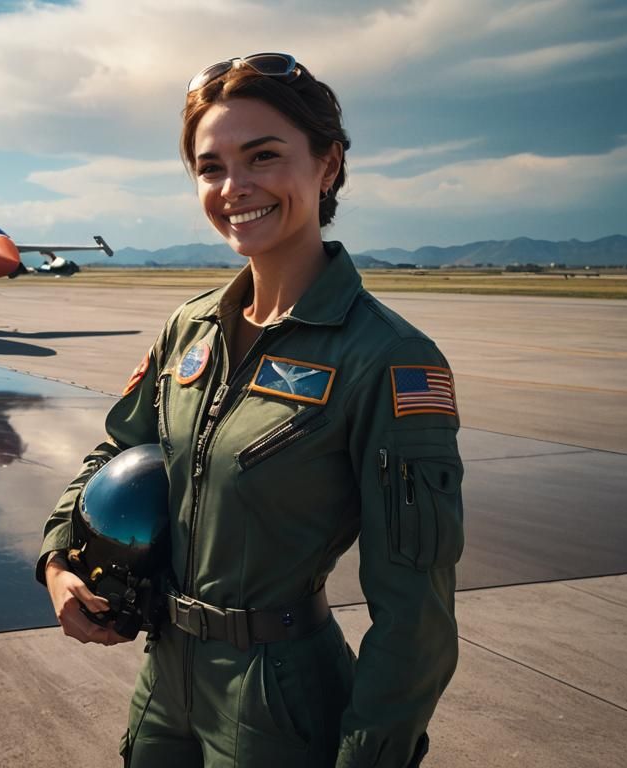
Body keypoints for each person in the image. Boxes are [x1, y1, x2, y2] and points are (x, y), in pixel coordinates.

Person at [38, 53, 463, 768]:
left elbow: (415, 611)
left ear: (327, 166)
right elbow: (117, 450)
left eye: (263, 156)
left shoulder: (386, 358)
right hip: (165, 680)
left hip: (280, 700)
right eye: (211, 167)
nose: (235, 187)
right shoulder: (190, 328)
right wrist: (58, 559)